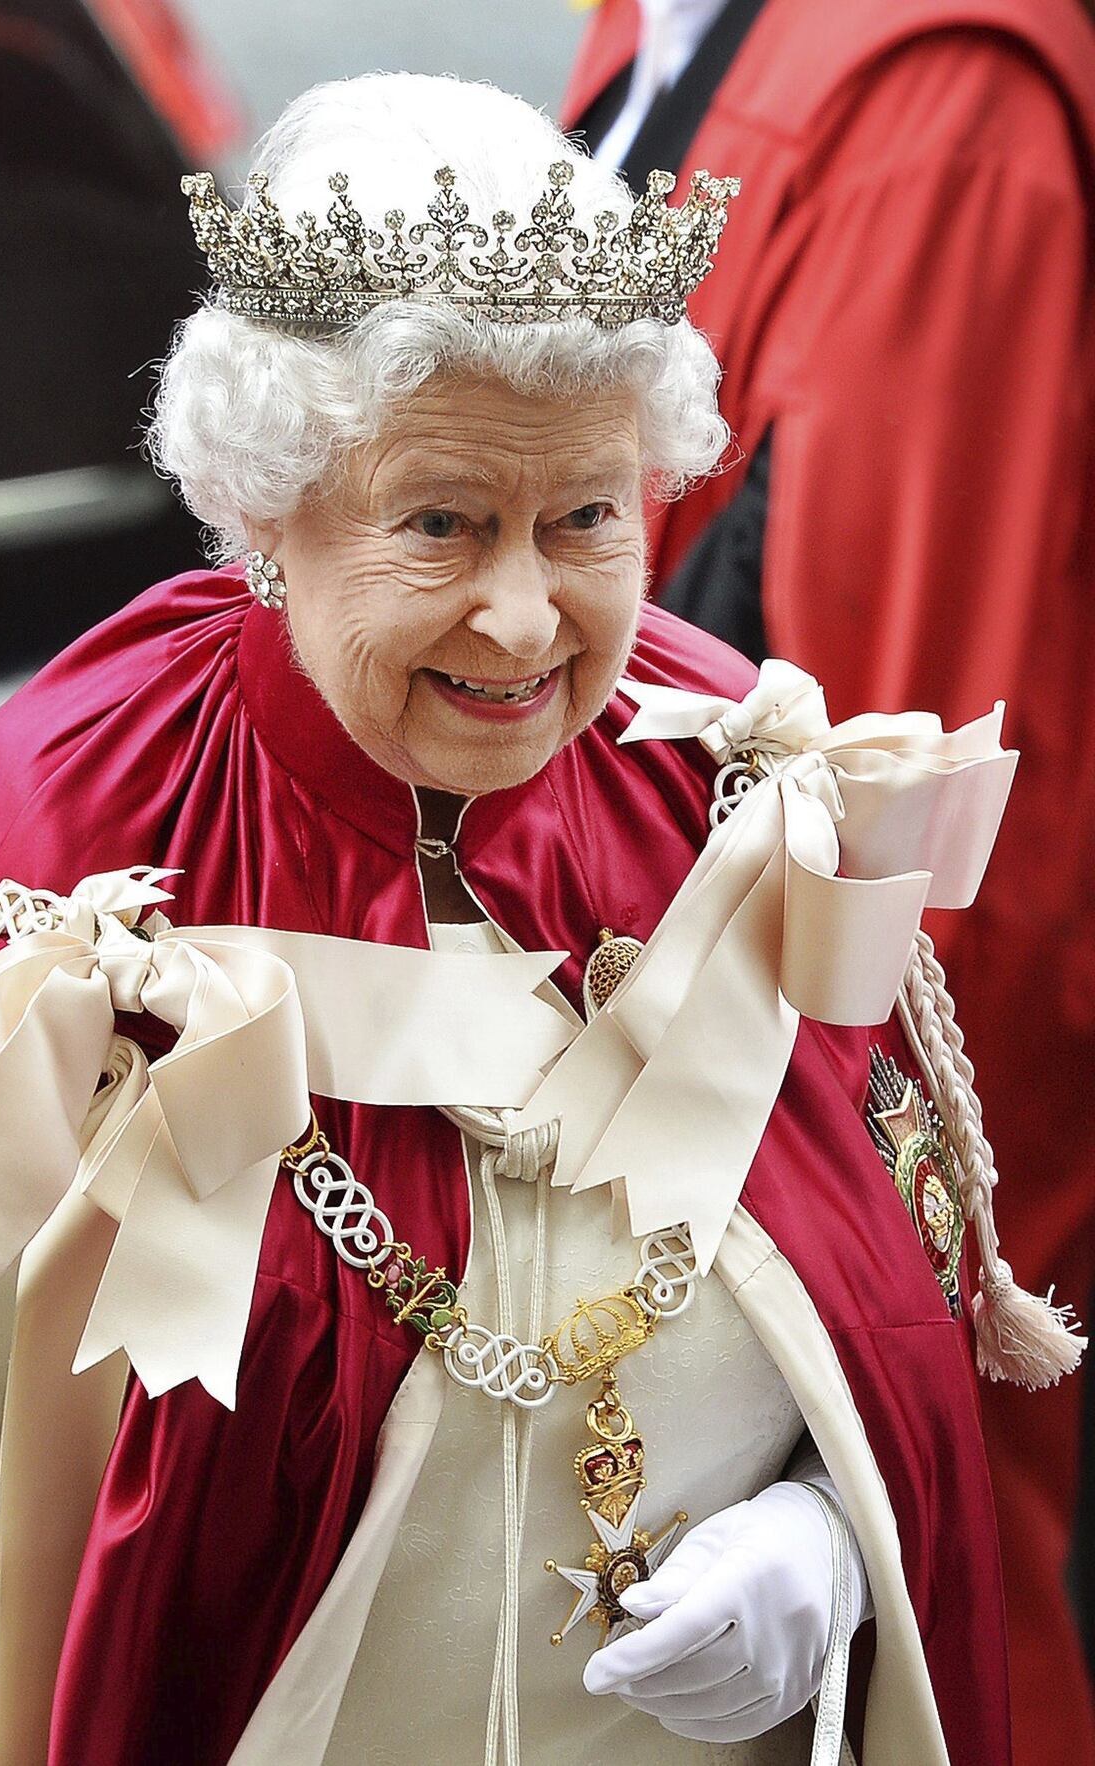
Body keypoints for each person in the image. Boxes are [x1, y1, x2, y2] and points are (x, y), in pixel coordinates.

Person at [0, 72, 1078, 1766]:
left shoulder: (730, 770)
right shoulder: (64, 829)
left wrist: (827, 1529)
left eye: (586, 518)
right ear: (266, 501)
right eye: (441, 521)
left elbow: (888, 1281)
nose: (527, 621)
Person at [560, 5, 1095, 1757]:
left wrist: (857, 1414)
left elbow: (923, 830)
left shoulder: (942, 98)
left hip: (799, 1174)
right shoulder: (652, 31)